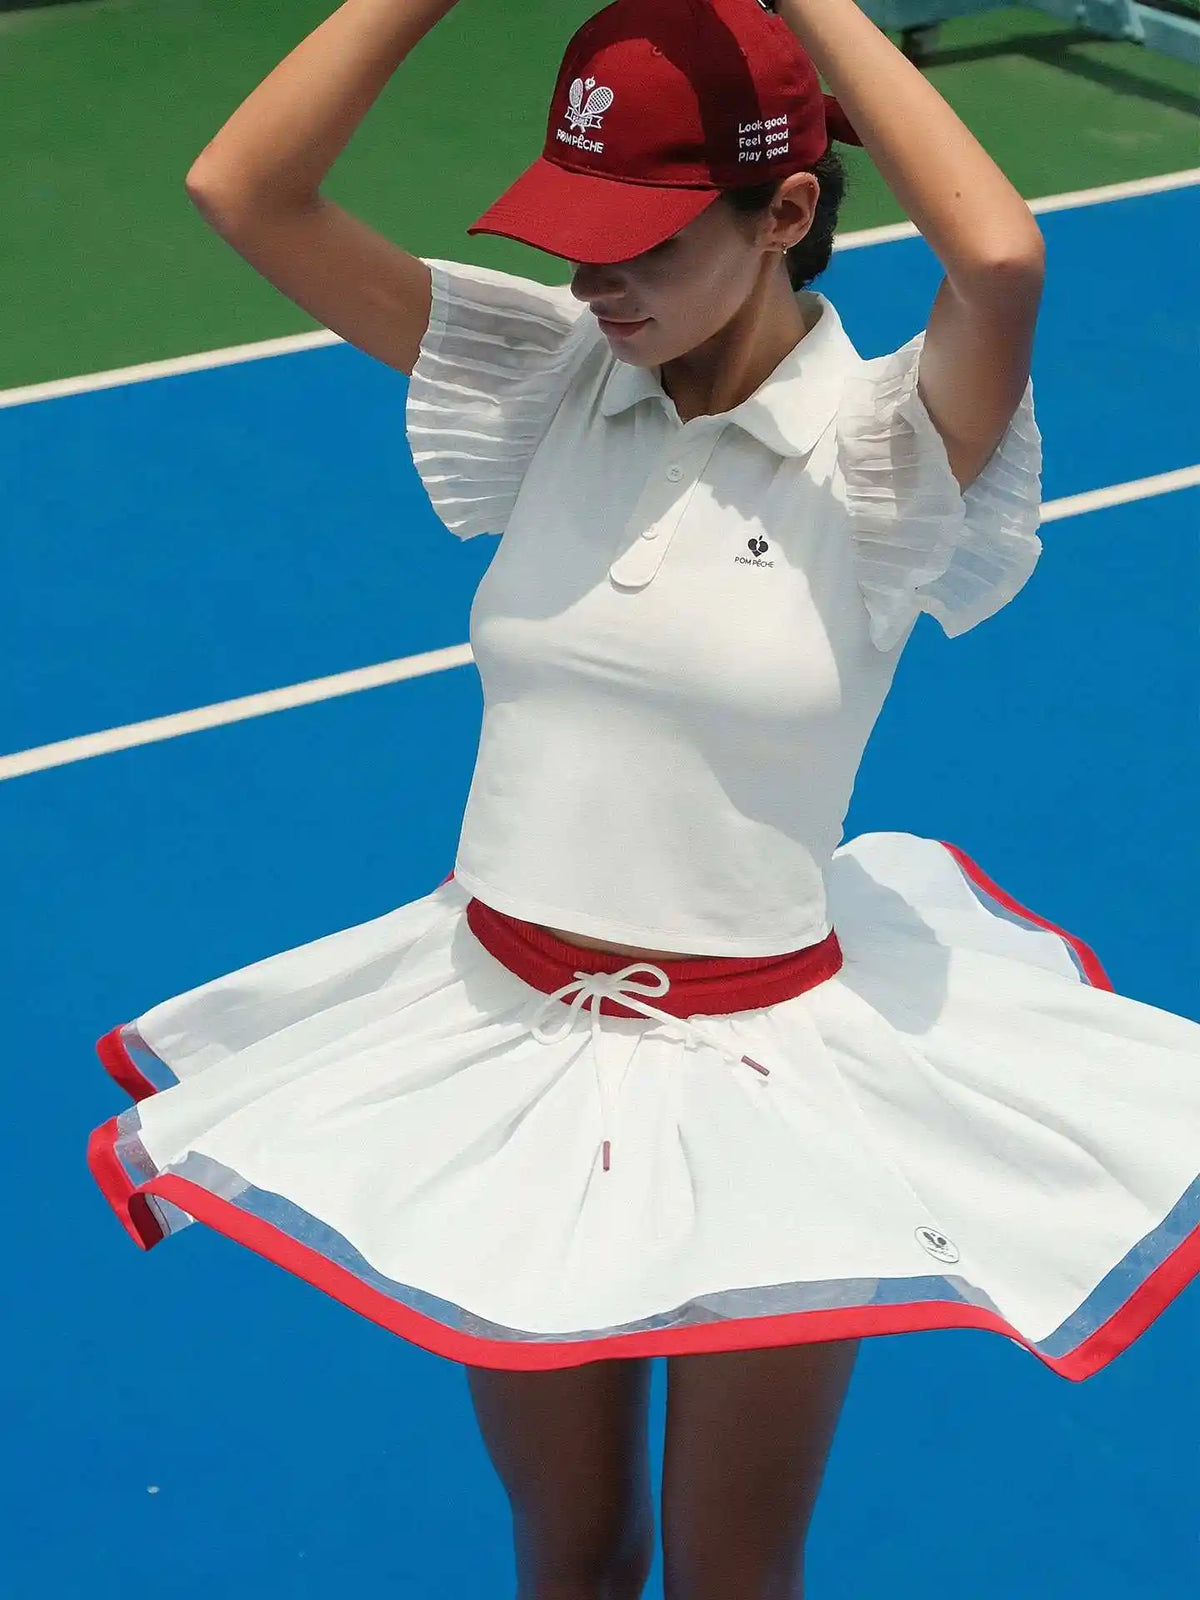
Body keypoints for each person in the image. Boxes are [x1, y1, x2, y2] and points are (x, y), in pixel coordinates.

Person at [85, 1, 1200, 1596]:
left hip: (766, 1090)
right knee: (570, 1548)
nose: (594, 285)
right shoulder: (548, 376)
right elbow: (243, 188)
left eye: (642, 246)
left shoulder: (887, 450)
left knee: (730, 1573)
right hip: (507, 1048)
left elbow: (1003, 263)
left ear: (787, 215)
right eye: (573, 240)